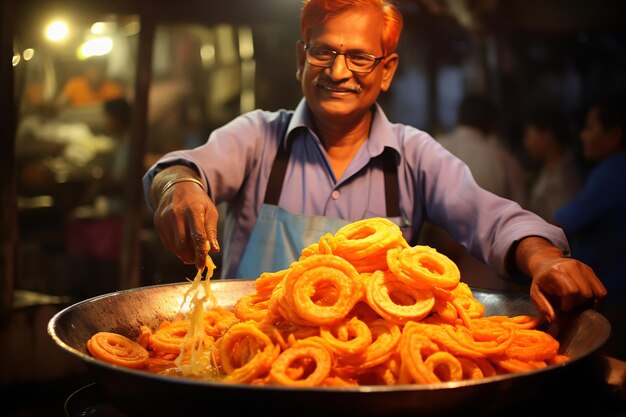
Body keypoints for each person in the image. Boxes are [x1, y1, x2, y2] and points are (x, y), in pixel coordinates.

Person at [142, 0, 606, 323]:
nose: (338, 72)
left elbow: (489, 216)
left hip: (372, 380)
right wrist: (175, 187)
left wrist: (543, 257)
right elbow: (184, 169)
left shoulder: (413, 155)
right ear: (301, 58)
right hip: (249, 370)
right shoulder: (257, 136)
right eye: (323, 51)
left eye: (360, 57)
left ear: (387, 71)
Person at [421, 93, 529, 291]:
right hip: (487, 282)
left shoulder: (428, 148)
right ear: (492, 124)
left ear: (459, 118)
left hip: (431, 276)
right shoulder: (503, 159)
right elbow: (518, 220)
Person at [554, 96, 626, 358]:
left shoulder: (613, 172)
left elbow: (562, 222)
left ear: (615, 134)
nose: (583, 136)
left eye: (590, 127)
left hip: (614, 298)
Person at [522, 105, 583, 224]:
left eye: (528, 133)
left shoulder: (562, 177)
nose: (526, 142)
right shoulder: (552, 168)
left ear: (547, 135)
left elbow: (560, 223)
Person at [55, 57, 125, 108]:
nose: (94, 73)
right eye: (92, 69)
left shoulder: (114, 89)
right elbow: (59, 104)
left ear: (104, 71)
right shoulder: (74, 84)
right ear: (85, 71)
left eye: (98, 69)